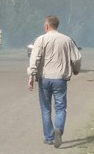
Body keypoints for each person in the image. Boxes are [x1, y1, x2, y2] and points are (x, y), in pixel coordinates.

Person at [26, 15, 80, 147]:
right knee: (61, 107)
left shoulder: (41, 39)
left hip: (44, 79)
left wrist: (31, 76)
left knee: (46, 108)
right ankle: (59, 129)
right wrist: (76, 70)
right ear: (57, 25)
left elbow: (35, 59)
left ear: (46, 26)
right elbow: (77, 58)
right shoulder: (67, 40)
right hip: (60, 79)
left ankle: (49, 137)